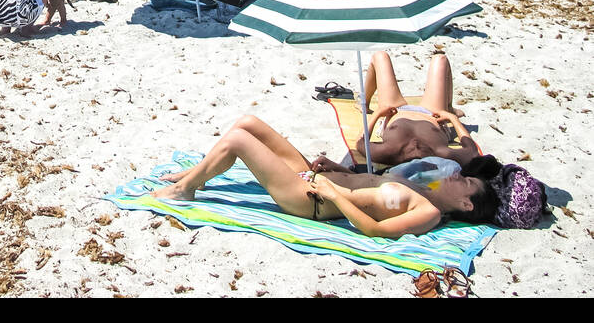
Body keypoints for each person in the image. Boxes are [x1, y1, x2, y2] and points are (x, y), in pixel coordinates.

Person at [151, 115, 508, 238]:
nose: (459, 178)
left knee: (238, 141)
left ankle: (185, 189)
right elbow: (370, 183)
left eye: (467, 183)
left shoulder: (428, 213)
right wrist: (337, 171)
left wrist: (334, 194)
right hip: (319, 180)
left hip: (312, 202)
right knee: (248, 125)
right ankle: (195, 173)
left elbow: (375, 230)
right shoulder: (423, 187)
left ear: (464, 202)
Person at [311, 51, 485, 172]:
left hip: (395, 113)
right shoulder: (441, 153)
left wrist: (378, 113)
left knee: (380, 56)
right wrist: (452, 118)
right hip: (432, 114)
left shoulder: (388, 152)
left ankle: (363, 102)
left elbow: (359, 143)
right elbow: (471, 151)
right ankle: (449, 106)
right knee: (440, 60)